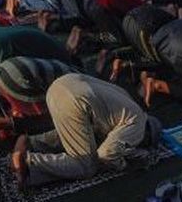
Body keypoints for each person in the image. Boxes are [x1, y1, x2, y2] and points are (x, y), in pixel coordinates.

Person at [9, 74, 162, 188]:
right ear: (147, 135)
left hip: (61, 84)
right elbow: (106, 155)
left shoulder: (128, 101)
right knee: (87, 165)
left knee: (82, 134)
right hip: (76, 100)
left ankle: (31, 142)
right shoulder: (138, 126)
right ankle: (30, 163)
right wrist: (126, 164)